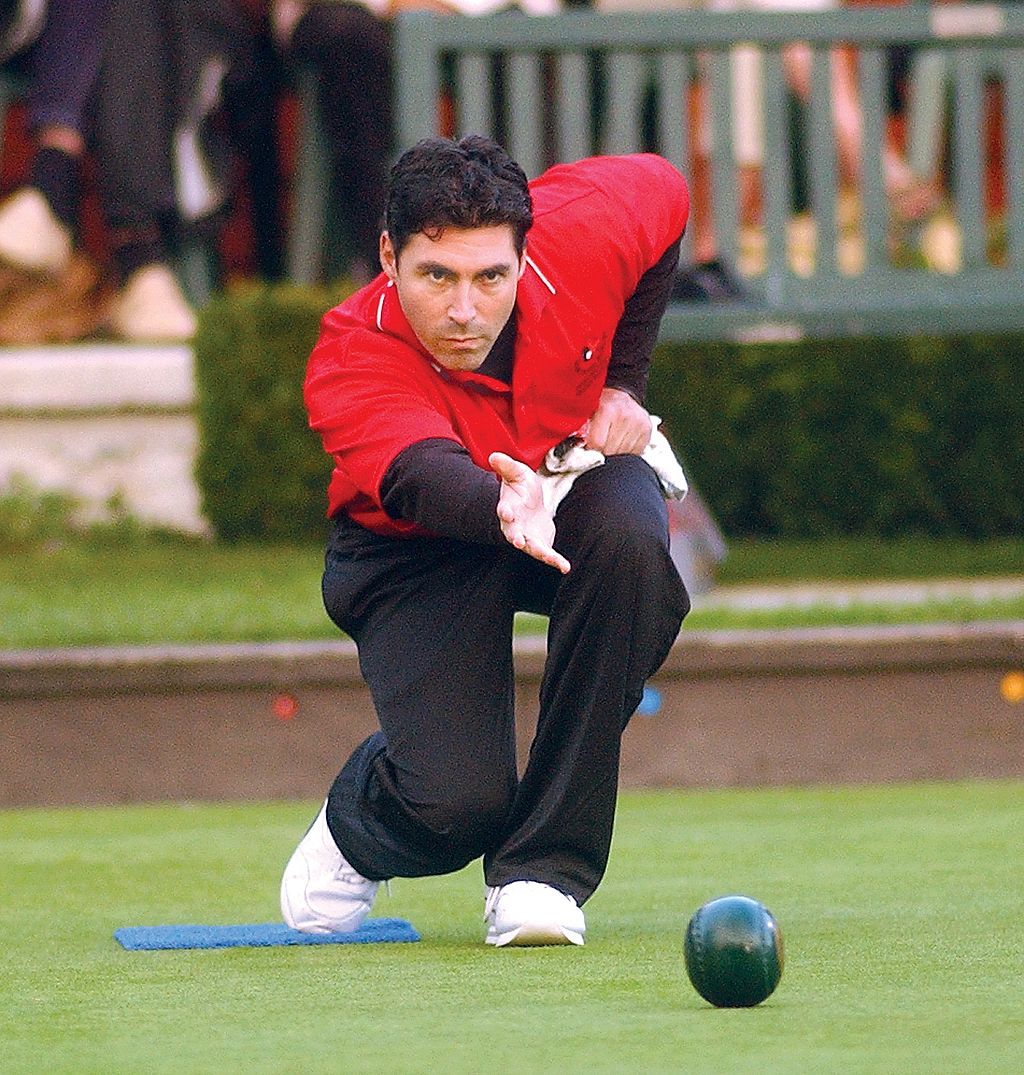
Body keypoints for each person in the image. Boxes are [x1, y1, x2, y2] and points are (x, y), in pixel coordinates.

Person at [282, 135, 692, 947]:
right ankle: (365, 812)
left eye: (489, 277)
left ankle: (541, 870)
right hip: (414, 545)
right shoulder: (348, 352)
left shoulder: (587, 229)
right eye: (436, 276)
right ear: (389, 255)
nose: (465, 309)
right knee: (456, 802)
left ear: (524, 256)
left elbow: (668, 195)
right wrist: (499, 502)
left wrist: (624, 382)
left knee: (633, 548)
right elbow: (415, 473)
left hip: (562, 483)